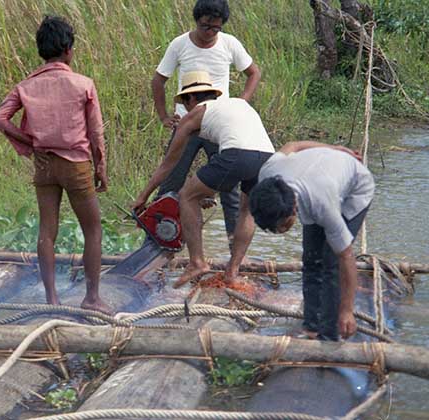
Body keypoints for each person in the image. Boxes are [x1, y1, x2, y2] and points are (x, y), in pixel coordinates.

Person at [0, 16, 111, 314]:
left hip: (45, 165)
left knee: (47, 232)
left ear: (41, 51)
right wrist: (101, 166)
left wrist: (31, 143)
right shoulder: (82, 84)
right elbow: (95, 132)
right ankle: (92, 298)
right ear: (69, 49)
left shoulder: (27, 86)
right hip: (76, 165)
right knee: (93, 230)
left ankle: (52, 300)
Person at [133, 71, 275, 288]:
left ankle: (197, 262)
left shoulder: (194, 115)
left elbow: (168, 165)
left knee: (187, 196)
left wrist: (143, 196)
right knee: (246, 210)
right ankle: (232, 271)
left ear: (191, 99)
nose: (186, 107)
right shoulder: (236, 104)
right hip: (267, 156)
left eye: (184, 102)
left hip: (237, 153)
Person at [152, 0, 261, 246]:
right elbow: (158, 80)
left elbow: (254, 72)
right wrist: (164, 116)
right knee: (171, 181)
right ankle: (157, 241)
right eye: (205, 27)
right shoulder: (180, 44)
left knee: (230, 191)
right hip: (188, 124)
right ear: (196, 21)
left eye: (215, 28)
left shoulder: (229, 43)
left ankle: (235, 249)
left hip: (218, 125)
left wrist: (240, 102)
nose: (210, 32)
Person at [246, 141, 374, 340]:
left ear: (294, 208)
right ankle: (312, 327)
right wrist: (333, 148)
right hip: (320, 173)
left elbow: (346, 256)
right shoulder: (267, 174)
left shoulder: (321, 204)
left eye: (283, 226)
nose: (281, 231)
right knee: (311, 259)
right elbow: (293, 145)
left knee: (330, 262)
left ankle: (329, 335)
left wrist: (347, 310)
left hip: (355, 190)